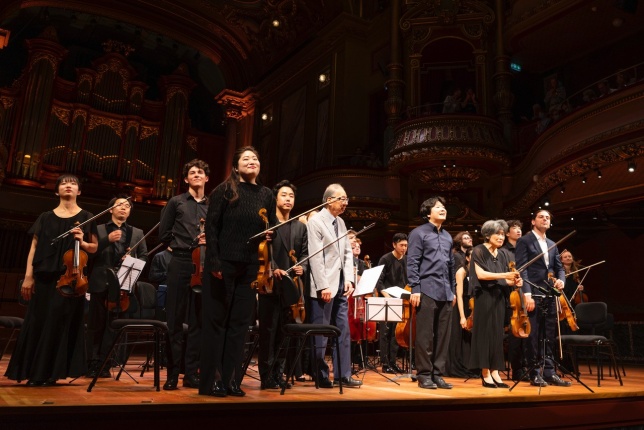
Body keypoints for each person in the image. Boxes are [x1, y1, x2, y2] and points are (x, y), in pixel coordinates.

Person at [5, 174, 98, 386]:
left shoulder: (87, 216)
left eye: (73, 183)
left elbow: (94, 248)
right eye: (64, 183)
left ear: (79, 191)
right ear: (57, 191)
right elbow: (34, 248)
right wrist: (28, 277)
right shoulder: (45, 217)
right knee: (38, 323)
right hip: (43, 278)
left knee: (58, 324)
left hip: (69, 279)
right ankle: (34, 371)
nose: (68, 186)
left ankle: (49, 373)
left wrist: (82, 241)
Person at [200, 146, 276, 397]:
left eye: (255, 158)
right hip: (223, 264)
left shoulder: (266, 194)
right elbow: (211, 229)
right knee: (217, 323)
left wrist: (270, 232)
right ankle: (212, 380)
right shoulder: (224, 190)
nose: (252, 161)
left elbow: (272, 226)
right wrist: (214, 262)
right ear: (236, 166)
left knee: (240, 325)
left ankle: (232, 379)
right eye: (246, 158)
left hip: (251, 266)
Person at [158, 159, 210, 390]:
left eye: (200, 172)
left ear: (207, 178)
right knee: (175, 321)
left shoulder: (213, 206)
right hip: (180, 261)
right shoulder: (176, 202)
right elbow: (164, 234)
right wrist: (186, 245)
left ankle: (191, 373)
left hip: (204, 264)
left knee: (199, 322)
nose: (197, 174)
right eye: (192, 172)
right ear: (186, 179)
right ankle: (172, 373)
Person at [307, 183, 362, 388]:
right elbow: (316, 257)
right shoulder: (316, 221)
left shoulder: (340, 222)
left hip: (340, 284)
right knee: (320, 333)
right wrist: (323, 286)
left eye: (346, 199)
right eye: (342, 198)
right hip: (324, 286)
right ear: (329, 200)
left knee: (343, 330)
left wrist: (349, 279)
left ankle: (343, 374)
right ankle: (320, 374)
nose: (345, 203)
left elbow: (347, 253)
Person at [86, 195, 147, 378]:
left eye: (127, 206)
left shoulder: (137, 232)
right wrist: (107, 240)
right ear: (110, 209)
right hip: (100, 282)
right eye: (119, 205)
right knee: (96, 325)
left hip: (122, 286)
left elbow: (144, 256)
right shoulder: (98, 229)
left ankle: (107, 362)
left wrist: (131, 260)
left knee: (113, 326)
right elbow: (88, 254)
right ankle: (92, 363)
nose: (123, 208)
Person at [257, 180, 308, 390]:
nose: (288, 199)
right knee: (268, 332)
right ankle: (266, 375)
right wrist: (275, 267)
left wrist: (302, 267)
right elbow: (263, 251)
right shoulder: (268, 223)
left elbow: (305, 253)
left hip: (291, 286)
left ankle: (279, 373)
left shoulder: (299, 226)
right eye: (284, 195)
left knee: (285, 332)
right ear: (276, 198)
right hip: (270, 282)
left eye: (291, 196)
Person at [515, 210, 571, 387]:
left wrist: (561, 280)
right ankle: (534, 372)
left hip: (548, 293)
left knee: (549, 335)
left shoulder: (552, 243)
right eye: (541, 217)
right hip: (533, 293)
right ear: (533, 221)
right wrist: (527, 294)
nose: (545, 219)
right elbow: (522, 268)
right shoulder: (525, 241)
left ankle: (549, 371)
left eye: (548, 218)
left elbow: (559, 267)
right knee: (533, 335)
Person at [407, 196, 456, 390]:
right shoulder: (418, 233)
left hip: (445, 290)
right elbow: (412, 262)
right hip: (427, 289)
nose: (443, 209)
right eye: (438, 207)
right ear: (428, 213)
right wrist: (415, 288)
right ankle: (424, 374)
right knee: (425, 335)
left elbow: (451, 265)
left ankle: (438, 374)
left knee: (443, 336)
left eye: (443, 207)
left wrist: (452, 291)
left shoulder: (447, 236)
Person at [467, 220, 523, 389]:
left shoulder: (504, 254)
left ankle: (496, 372)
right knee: (485, 334)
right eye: (497, 234)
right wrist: (505, 275)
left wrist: (516, 281)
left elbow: (508, 278)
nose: (501, 237)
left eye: (502, 234)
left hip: (499, 297)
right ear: (487, 234)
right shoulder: (478, 250)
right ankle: (485, 372)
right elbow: (481, 274)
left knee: (497, 336)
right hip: (484, 297)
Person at [376, 233, 408, 374]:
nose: (404, 248)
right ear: (394, 244)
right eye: (401, 245)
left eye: (406, 245)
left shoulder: (406, 260)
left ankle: (393, 362)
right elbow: (379, 281)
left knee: (396, 333)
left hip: (401, 299)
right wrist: (387, 297)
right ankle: (385, 363)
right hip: (387, 299)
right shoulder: (385, 259)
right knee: (385, 332)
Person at [502, 219, 528, 382]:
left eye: (519, 228)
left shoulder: (525, 251)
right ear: (507, 233)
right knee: (515, 335)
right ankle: (516, 369)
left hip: (526, 295)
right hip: (510, 297)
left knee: (526, 333)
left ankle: (528, 366)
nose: (518, 230)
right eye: (514, 228)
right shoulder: (504, 252)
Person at [448, 248, 475, 378]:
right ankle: (456, 366)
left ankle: (469, 364)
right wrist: (462, 316)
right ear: (468, 258)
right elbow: (459, 295)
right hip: (460, 307)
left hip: (471, 306)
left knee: (468, 338)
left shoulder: (476, 272)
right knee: (458, 336)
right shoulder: (461, 271)